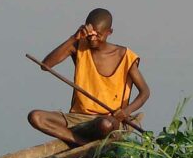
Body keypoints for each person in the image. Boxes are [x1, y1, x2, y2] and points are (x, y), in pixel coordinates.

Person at [28, 8, 150, 146]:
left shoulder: (125, 56)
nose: (92, 39)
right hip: (79, 118)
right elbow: (45, 66)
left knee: (104, 125)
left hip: (110, 119)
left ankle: (83, 142)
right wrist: (74, 38)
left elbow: (145, 92)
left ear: (109, 32)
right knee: (36, 117)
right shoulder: (79, 46)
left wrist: (126, 112)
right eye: (90, 35)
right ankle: (82, 143)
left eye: (98, 35)